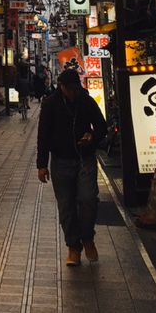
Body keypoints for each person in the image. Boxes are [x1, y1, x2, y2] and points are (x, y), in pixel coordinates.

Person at [36, 67, 106, 266]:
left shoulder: (85, 100)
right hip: (60, 161)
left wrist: (92, 138)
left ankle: (88, 238)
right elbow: (43, 134)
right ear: (62, 87)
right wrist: (42, 164)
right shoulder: (50, 104)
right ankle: (73, 247)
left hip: (85, 158)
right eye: (71, 90)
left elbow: (101, 125)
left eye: (77, 89)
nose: (74, 93)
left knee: (88, 198)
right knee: (66, 206)